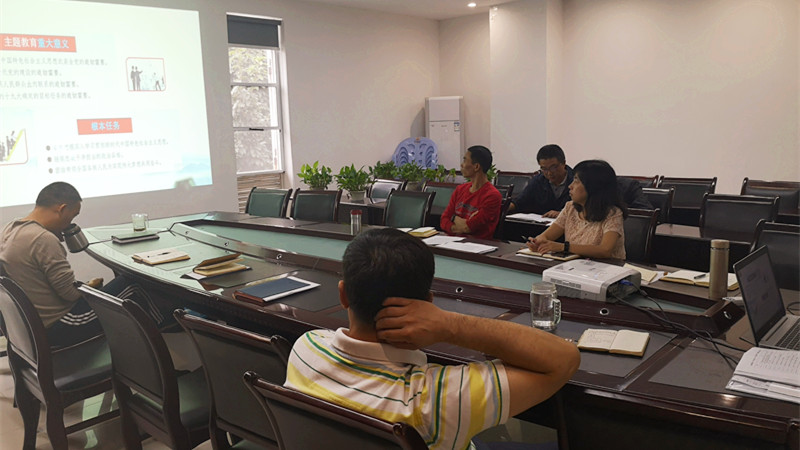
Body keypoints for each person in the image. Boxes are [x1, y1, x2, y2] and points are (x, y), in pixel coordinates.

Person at [285, 228, 580, 450]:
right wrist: (450, 324)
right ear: (427, 303)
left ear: (343, 294)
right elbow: (564, 359)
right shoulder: (438, 400)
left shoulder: (306, 349)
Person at [0, 182, 165, 347]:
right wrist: (89, 288)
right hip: (64, 323)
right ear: (62, 209)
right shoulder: (42, 239)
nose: (70, 223)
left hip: (33, 326)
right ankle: (163, 337)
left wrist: (88, 287)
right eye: (72, 216)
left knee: (119, 288)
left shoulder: (10, 229)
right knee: (133, 284)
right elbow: (70, 295)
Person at [527, 159, 627, 259]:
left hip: (606, 267)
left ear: (592, 186)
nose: (570, 186)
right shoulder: (570, 208)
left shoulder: (613, 213)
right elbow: (546, 236)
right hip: (575, 265)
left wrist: (564, 247)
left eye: (576, 181)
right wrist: (537, 242)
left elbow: (605, 250)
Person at [440, 145, 503, 240]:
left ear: (476, 166)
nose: (461, 165)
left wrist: (453, 218)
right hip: (453, 242)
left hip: (477, 245)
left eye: (465, 160)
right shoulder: (460, 189)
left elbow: (469, 227)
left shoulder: (492, 196)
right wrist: (456, 224)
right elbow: (444, 220)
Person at [509, 144, 574, 217]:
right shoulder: (538, 181)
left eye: (553, 167)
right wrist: (503, 208)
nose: (549, 173)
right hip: (541, 222)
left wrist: (562, 214)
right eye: (544, 169)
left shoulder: (577, 181)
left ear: (564, 163)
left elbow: (583, 211)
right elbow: (520, 202)